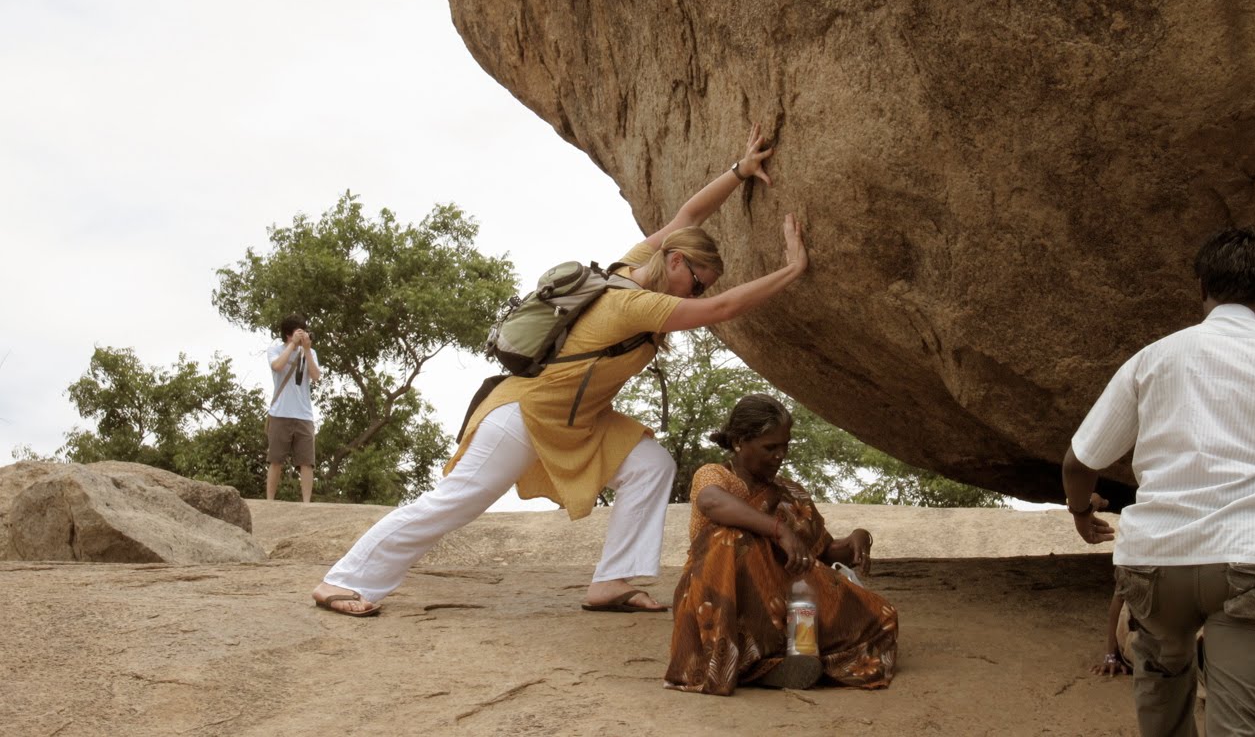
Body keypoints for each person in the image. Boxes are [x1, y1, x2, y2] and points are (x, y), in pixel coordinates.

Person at [312, 124, 809, 617]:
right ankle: (343, 582)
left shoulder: (638, 263)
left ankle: (613, 582)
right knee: (454, 503)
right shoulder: (632, 304)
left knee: (651, 466)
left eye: (701, 288)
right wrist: (790, 270)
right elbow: (721, 309)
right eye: (697, 283)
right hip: (525, 415)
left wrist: (738, 172)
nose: (696, 294)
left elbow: (689, 215)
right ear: (676, 262)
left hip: (577, 420)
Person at [1063, 227, 1255, 737]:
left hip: (1158, 563)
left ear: (1201, 287)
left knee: (1162, 709)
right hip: (1254, 560)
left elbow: (1079, 461)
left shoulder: (1153, 359)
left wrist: (1081, 511)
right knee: (1245, 722)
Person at [664, 393, 898, 695]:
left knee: (883, 618)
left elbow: (820, 553)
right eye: (770, 447)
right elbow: (711, 502)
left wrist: (858, 537)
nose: (780, 455)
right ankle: (726, 663)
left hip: (780, 603)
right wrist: (779, 531)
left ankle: (766, 668)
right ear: (738, 442)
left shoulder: (790, 492)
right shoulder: (715, 475)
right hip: (720, 598)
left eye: (785, 445)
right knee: (728, 539)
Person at [266, 313, 322, 503]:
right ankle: (269, 501)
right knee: (275, 459)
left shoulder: (310, 353)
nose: (303, 334)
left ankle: (306, 502)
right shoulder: (275, 349)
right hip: (280, 413)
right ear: (288, 334)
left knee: (307, 461)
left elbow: (315, 376)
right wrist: (292, 346)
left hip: (304, 414)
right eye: (299, 331)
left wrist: (306, 350)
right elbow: (278, 366)